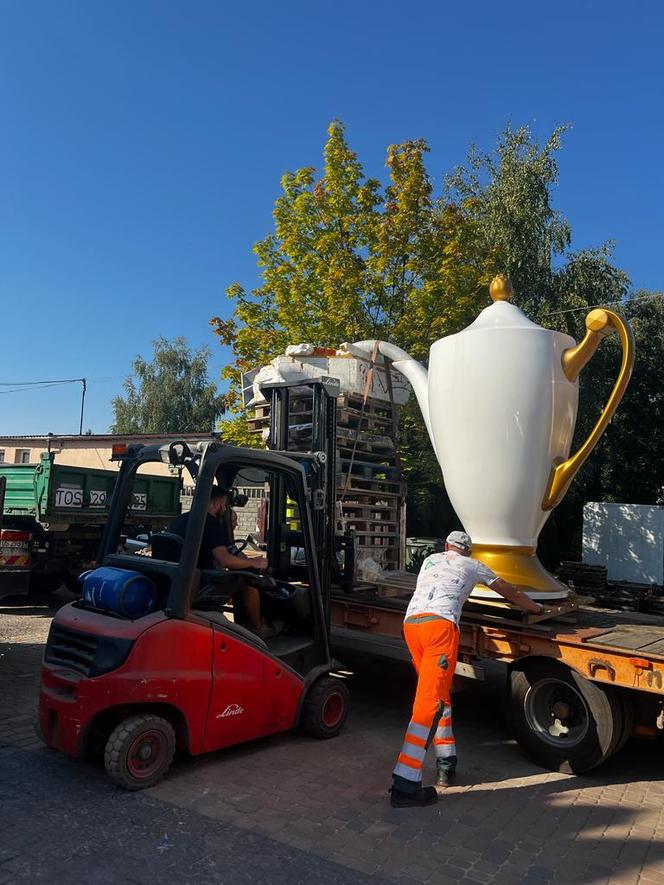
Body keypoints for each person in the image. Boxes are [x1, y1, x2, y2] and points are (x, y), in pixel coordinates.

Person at [390, 530, 546, 809]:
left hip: (411, 625)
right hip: (440, 627)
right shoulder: (473, 565)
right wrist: (535, 609)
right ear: (468, 551)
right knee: (429, 702)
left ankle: (446, 764)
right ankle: (405, 783)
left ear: (447, 545)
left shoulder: (431, 561)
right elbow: (509, 591)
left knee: (439, 695)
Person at [168, 487, 275, 638]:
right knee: (249, 579)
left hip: (179, 580)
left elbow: (227, 551)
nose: (225, 509)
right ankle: (258, 627)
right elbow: (225, 560)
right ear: (218, 502)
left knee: (239, 575)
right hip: (203, 582)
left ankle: (243, 624)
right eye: (225, 505)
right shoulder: (209, 522)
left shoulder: (181, 519)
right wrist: (254, 563)